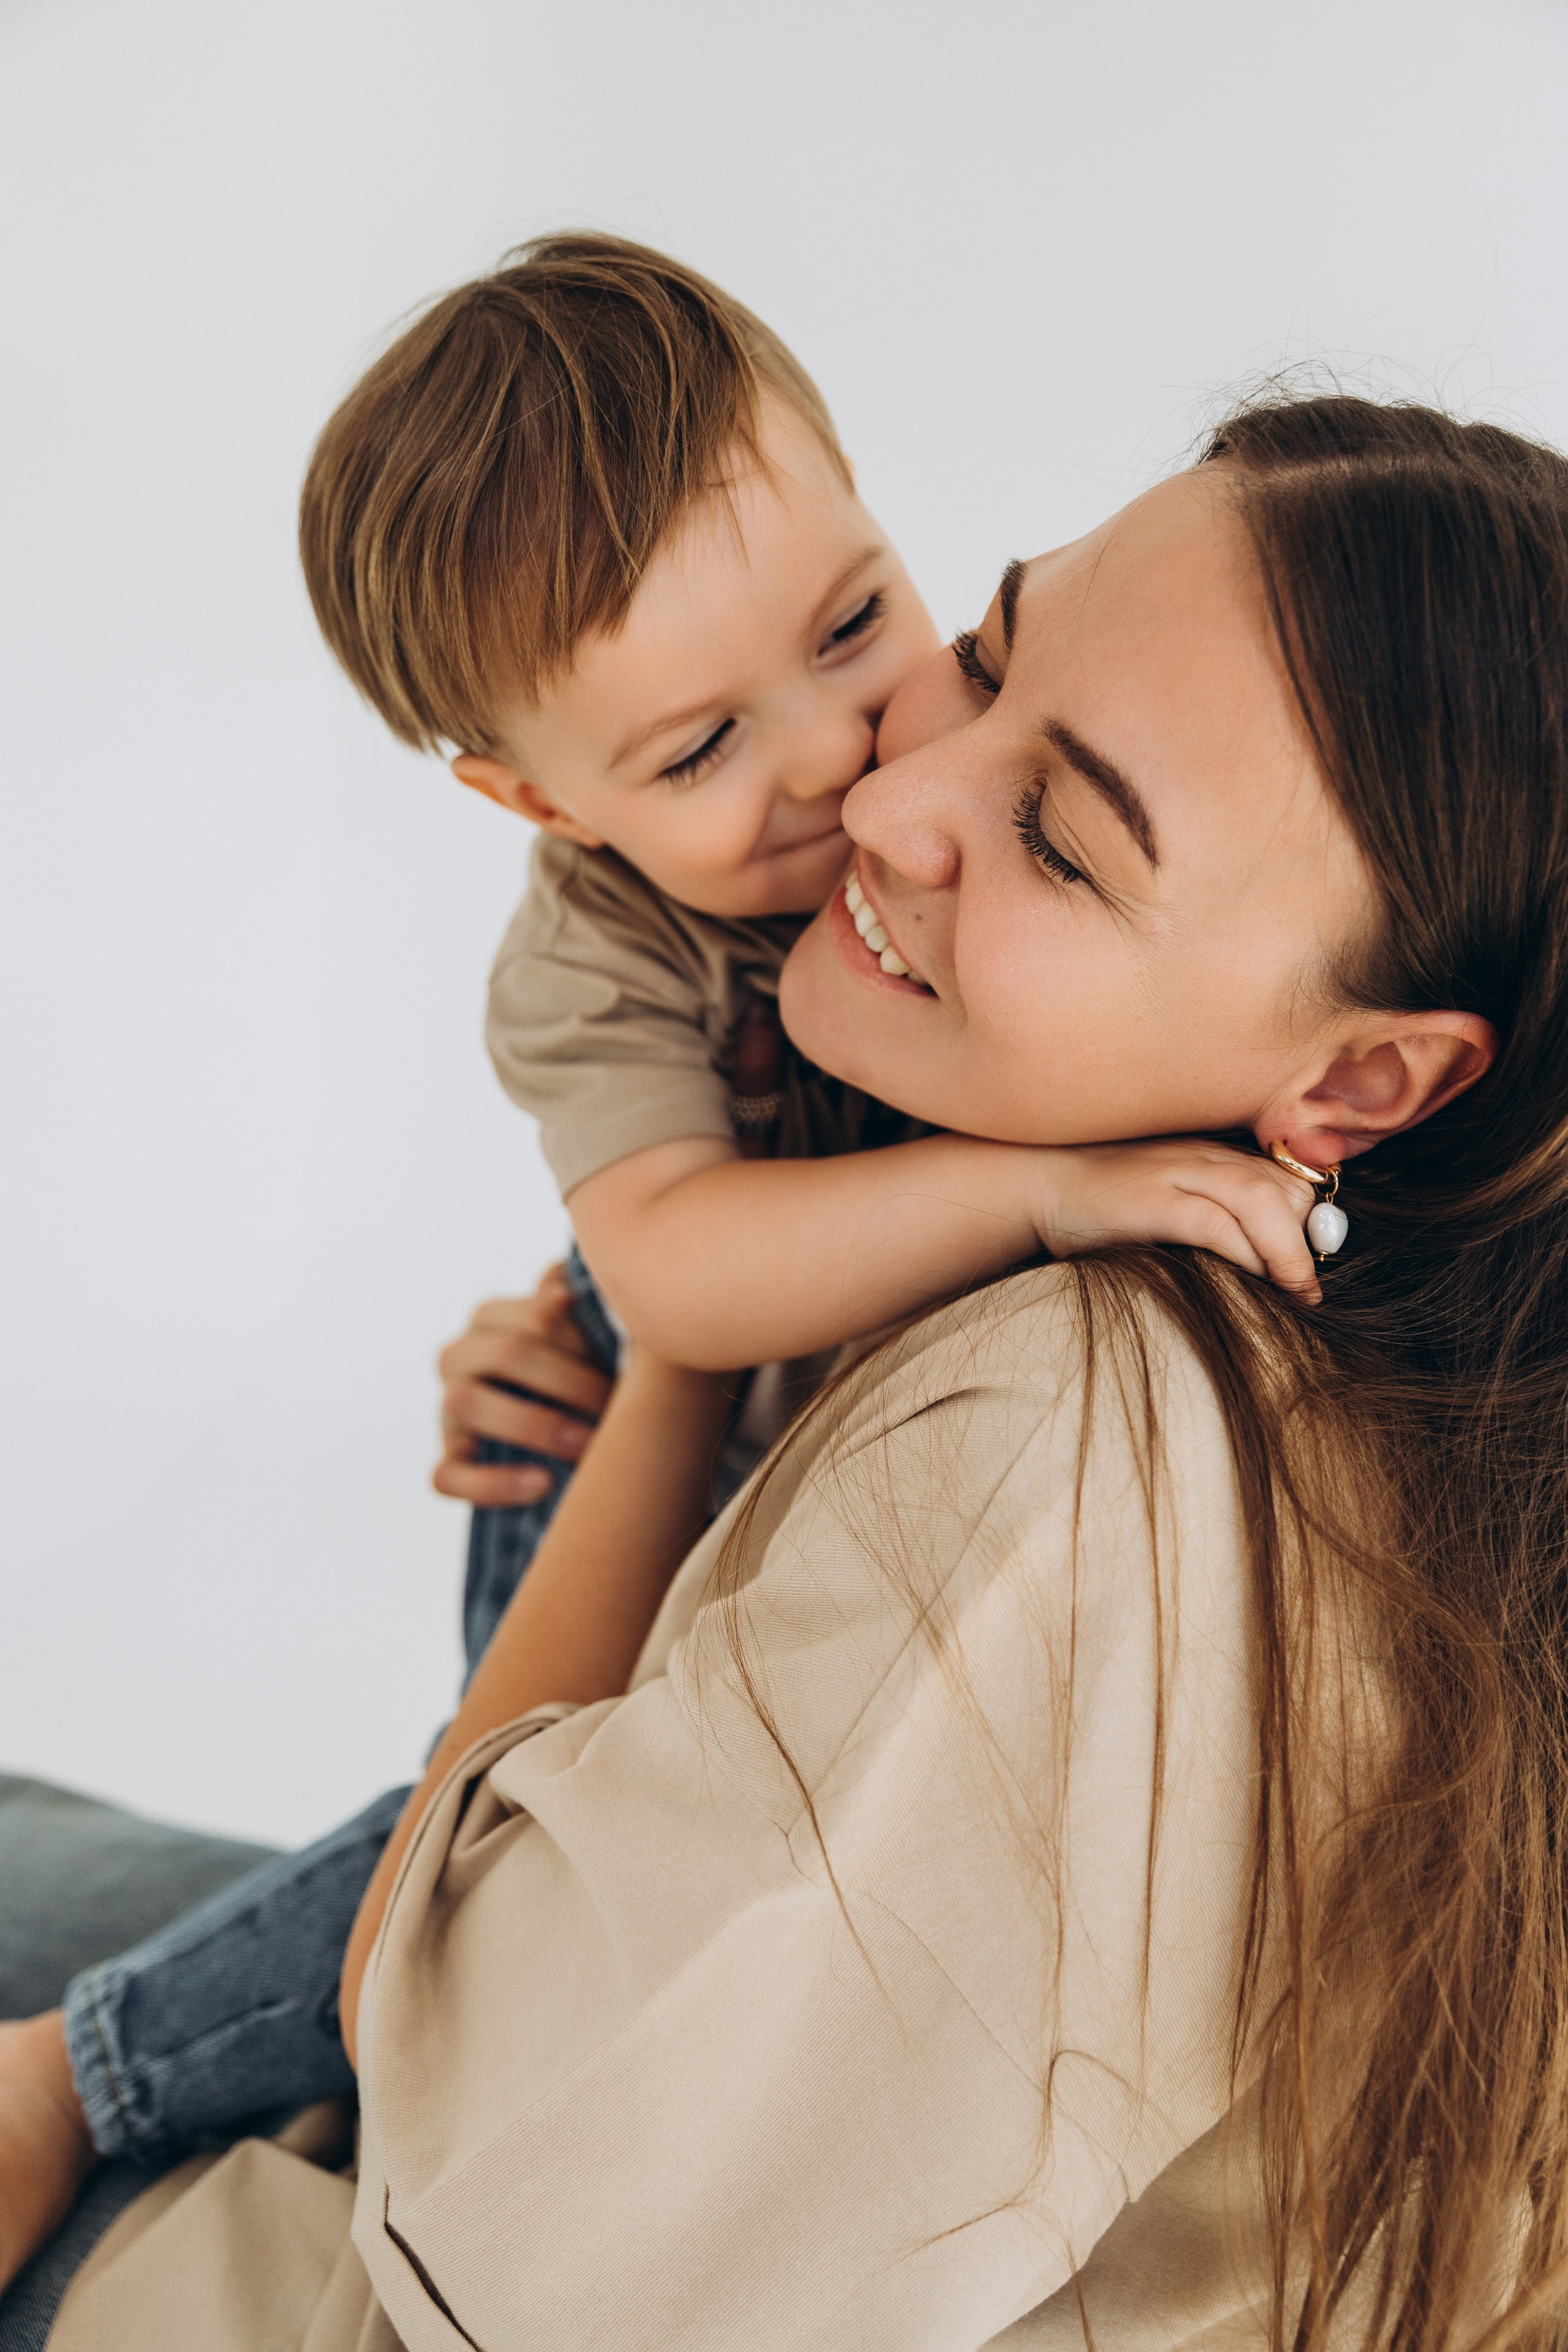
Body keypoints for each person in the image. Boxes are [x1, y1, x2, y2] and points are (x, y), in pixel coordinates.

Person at [6, 386, 1565, 2346]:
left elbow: (452, 2134)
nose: (883, 795)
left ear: (1355, 1079)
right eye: (984, 656)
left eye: (1067, 846)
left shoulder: (1079, 1456)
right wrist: (697, 1364)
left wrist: (664, 1377)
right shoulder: (1375, 1376)